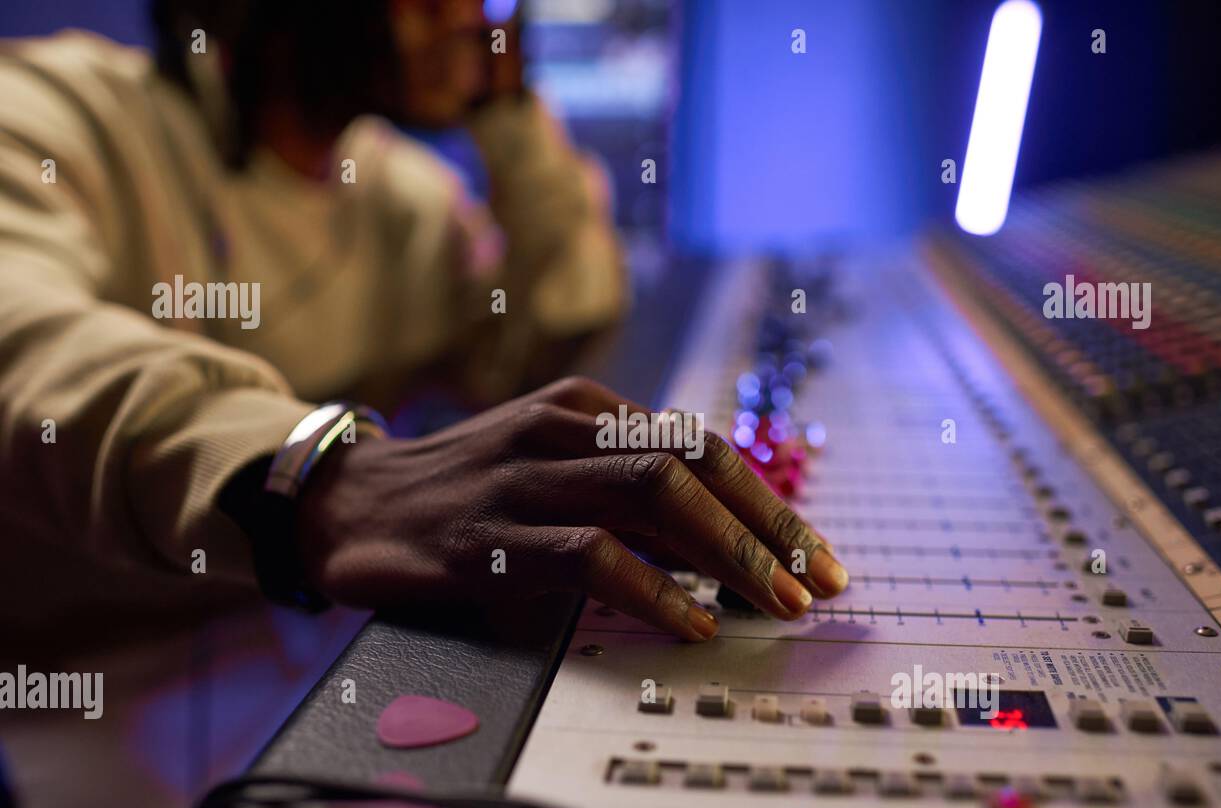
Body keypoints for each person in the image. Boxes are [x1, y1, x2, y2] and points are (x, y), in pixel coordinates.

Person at [0, 0, 848, 644]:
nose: (474, 19)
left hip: (292, 638)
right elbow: (26, 346)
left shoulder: (396, 191)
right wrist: (324, 480)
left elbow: (556, 321)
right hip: (94, 677)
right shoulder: (56, 110)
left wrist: (507, 114)